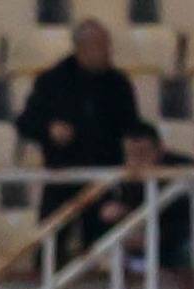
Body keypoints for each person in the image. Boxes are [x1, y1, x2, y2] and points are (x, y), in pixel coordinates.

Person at [15, 19, 140, 256]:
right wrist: (49, 130)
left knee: (103, 248)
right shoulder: (53, 81)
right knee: (49, 249)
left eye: (106, 45)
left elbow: (131, 127)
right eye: (100, 46)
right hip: (62, 177)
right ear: (82, 48)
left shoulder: (118, 84)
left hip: (104, 179)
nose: (106, 52)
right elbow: (26, 122)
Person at [99, 121, 194, 270]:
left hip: (177, 239)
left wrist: (157, 237)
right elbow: (110, 207)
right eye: (131, 154)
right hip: (141, 241)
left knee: (189, 250)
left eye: (143, 153)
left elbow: (192, 219)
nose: (137, 160)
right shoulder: (123, 176)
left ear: (160, 149)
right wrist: (111, 210)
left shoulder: (182, 171)